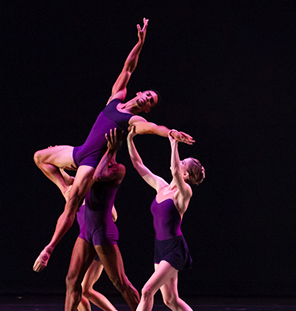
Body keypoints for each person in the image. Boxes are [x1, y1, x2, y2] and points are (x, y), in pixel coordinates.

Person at [33, 18, 194, 270]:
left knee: (73, 202)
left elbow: (155, 129)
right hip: (80, 152)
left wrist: (170, 132)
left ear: (147, 109)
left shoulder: (134, 121)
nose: (147, 100)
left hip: (91, 162)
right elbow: (128, 67)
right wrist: (139, 43)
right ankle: (64, 183)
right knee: (40, 157)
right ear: (139, 93)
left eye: (150, 102)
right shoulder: (115, 98)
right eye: (147, 95)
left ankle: (48, 249)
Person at [34, 129, 154, 311]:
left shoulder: (118, 169)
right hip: (86, 232)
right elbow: (46, 163)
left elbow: (98, 176)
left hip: (103, 231)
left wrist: (110, 150)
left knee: (120, 282)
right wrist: (57, 159)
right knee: (72, 280)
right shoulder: (87, 167)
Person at [113, 126, 211, 311]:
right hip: (161, 248)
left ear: (185, 174)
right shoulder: (162, 186)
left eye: (182, 164)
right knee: (170, 300)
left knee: (147, 291)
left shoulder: (184, 192)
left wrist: (173, 140)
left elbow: (175, 170)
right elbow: (139, 166)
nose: (177, 165)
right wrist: (130, 138)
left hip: (174, 250)